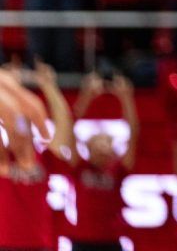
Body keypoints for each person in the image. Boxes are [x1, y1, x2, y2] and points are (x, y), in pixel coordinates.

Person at [0, 63, 71, 251]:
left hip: (39, 245)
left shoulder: (46, 159)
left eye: (22, 129)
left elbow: (64, 120)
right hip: (7, 245)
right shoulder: (4, 160)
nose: (16, 132)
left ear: (32, 133)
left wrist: (49, 85)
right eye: (11, 128)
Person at [67, 72, 140, 251]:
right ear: (88, 147)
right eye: (98, 139)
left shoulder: (118, 171)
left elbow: (134, 134)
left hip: (111, 241)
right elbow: (69, 127)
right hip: (83, 240)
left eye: (107, 140)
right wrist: (86, 96)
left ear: (112, 150)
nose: (102, 143)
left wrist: (126, 97)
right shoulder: (80, 168)